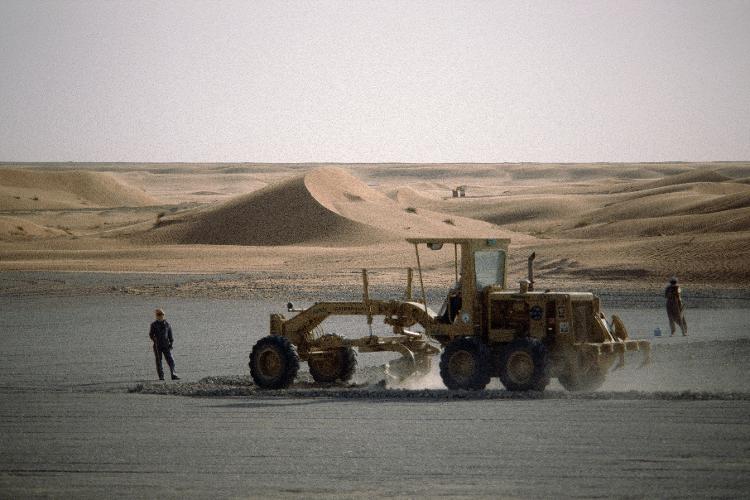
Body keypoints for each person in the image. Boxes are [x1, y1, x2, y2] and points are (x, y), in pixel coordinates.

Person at [149, 308, 180, 380]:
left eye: (162, 314)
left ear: (164, 315)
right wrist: (154, 340)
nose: (160, 316)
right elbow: (151, 334)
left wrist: (171, 343)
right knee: (159, 361)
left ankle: (174, 374)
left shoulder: (168, 325)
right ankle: (161, 376)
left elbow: (170, 335)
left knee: (171, 360)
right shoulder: (153, 325)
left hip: (166, 345)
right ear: (156, 315)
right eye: (158, 314)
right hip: (157, 345)